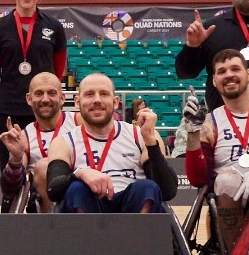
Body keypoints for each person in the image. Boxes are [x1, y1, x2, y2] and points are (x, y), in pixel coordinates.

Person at [182, 49, 249, 240]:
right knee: (226, 181)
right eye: (221, 71)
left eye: (235, 69)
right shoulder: (209, 123)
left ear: (248, 74)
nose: (229, 75)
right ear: (214, 81)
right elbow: (198, 179)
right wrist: (192, 133)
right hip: (230, 192)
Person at [0, 0, 68, 170]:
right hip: (10, 112)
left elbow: (57, 75)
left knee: (48, 172)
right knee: (11, 175)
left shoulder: (54, 27)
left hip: (45, 114)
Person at [46, 73, 177, 213]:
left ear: (115, 102)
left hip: (133, 208)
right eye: (89, 94)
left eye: (104, 94)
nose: (97, 100)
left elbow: (168, 191)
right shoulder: (64, 141)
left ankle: (135, 234)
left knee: (146, 187)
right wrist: (79, 174)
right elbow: (53, 190)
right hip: (89, 206)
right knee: (77, 188)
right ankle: (89, 234)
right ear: (77, 102)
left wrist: (151, 143)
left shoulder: (140, 135)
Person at [0, 72, 78, 213]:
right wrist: (15, 160)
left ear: (62, 98)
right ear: (29, 99)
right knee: (44, 167)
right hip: (46, 209)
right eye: (39, 93)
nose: (45, 99)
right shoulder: (25, 136)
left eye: (51, 93)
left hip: (78, 197)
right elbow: (9, 191)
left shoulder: (78, 122)